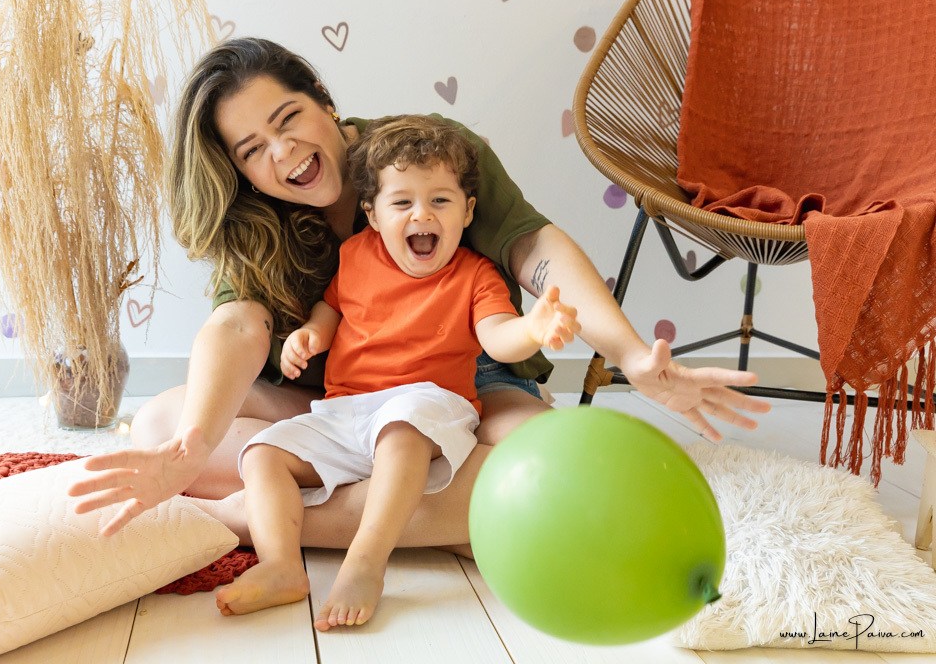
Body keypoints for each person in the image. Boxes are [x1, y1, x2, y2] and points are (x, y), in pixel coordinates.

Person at [68, 37, 769, 554]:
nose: (281, 154)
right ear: (239, 171)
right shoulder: (255, 219)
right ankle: (429, 500)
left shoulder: (429, 151)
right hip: (339, 400)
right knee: (165, 424)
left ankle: (254, 517)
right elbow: (236, 326)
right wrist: (192, 448)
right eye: (251, 150)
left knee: (555, 478)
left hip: (468, 381)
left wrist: (633, 356)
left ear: (324, 102)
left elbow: (534, 249)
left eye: (288, 120)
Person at [217, 115, 579, 629]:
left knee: (402, 428)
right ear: (373, 212)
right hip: (347, 409)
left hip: (429, 405)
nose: (421, 215)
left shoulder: (475, 275)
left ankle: (366, 561)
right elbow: (332, 309)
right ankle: (280, 566)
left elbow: (497, 334)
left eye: (440, 201)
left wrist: (534, 328)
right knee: (262, 454)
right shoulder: (354, 255)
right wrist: (308, 337)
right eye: (402, 202)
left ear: (467, 210)